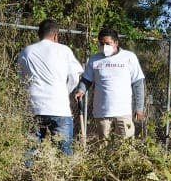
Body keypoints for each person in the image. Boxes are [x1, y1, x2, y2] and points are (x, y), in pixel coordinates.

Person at [15, 19, 83, 156]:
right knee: (64, 153)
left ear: (39, 34)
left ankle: (26, 175)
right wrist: (65, 91)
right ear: (56, 35)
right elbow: (75, 76)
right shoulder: (64, 50)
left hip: (34, 107)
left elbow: (22, 78)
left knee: (30, 150)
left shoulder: (27, 51)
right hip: (59, 107)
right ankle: (63, 177)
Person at [77, 28, 145, 141]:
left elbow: (138, 83)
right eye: (102, 44)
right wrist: (81, 90)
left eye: (108, 43)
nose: (105, 47)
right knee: (103, 148)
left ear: (116, 43)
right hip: (102, 112)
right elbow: (86, 79)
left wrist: (139, 107)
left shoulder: (129, 57)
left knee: (126, 148)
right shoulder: (94, 59)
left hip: (123, 112)